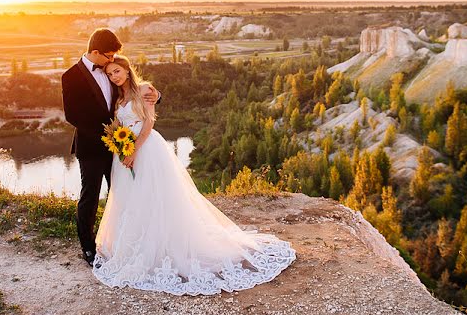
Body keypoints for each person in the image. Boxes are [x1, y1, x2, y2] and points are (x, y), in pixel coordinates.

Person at [93, 55, 296, 295]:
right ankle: (133, 246)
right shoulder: (119, 97)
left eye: (116, 71)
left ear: (127, 70)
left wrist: (134, 150)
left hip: (145, 150)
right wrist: (116, 142)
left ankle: (164, 247)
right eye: (109, 74)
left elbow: (148, 124)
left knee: (155, 196)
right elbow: (118, 125)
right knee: (131, 199)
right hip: (125, 154)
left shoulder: (145, 89)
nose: (113, 76)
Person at [61, 28, 159, 266]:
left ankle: (127, 241)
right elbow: (73, 116)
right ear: (95, 52)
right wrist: (108, 137)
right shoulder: (70, 76)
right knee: (90, 196)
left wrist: (156, 96)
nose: (112, 61)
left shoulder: (109, 69)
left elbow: (130, 88)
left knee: (124, 194)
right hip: (93, 147)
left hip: (120, 147)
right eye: (108, 56)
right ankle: (88, 247)